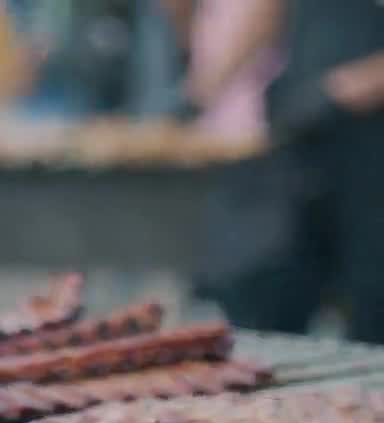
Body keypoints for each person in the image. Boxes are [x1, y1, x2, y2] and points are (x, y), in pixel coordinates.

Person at [164, 0, 384, 344]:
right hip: (303, 135)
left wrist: (345, 88)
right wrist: (203, 91)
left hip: (370, 146)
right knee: (265, 291)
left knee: (372, 300)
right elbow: (267, 14)